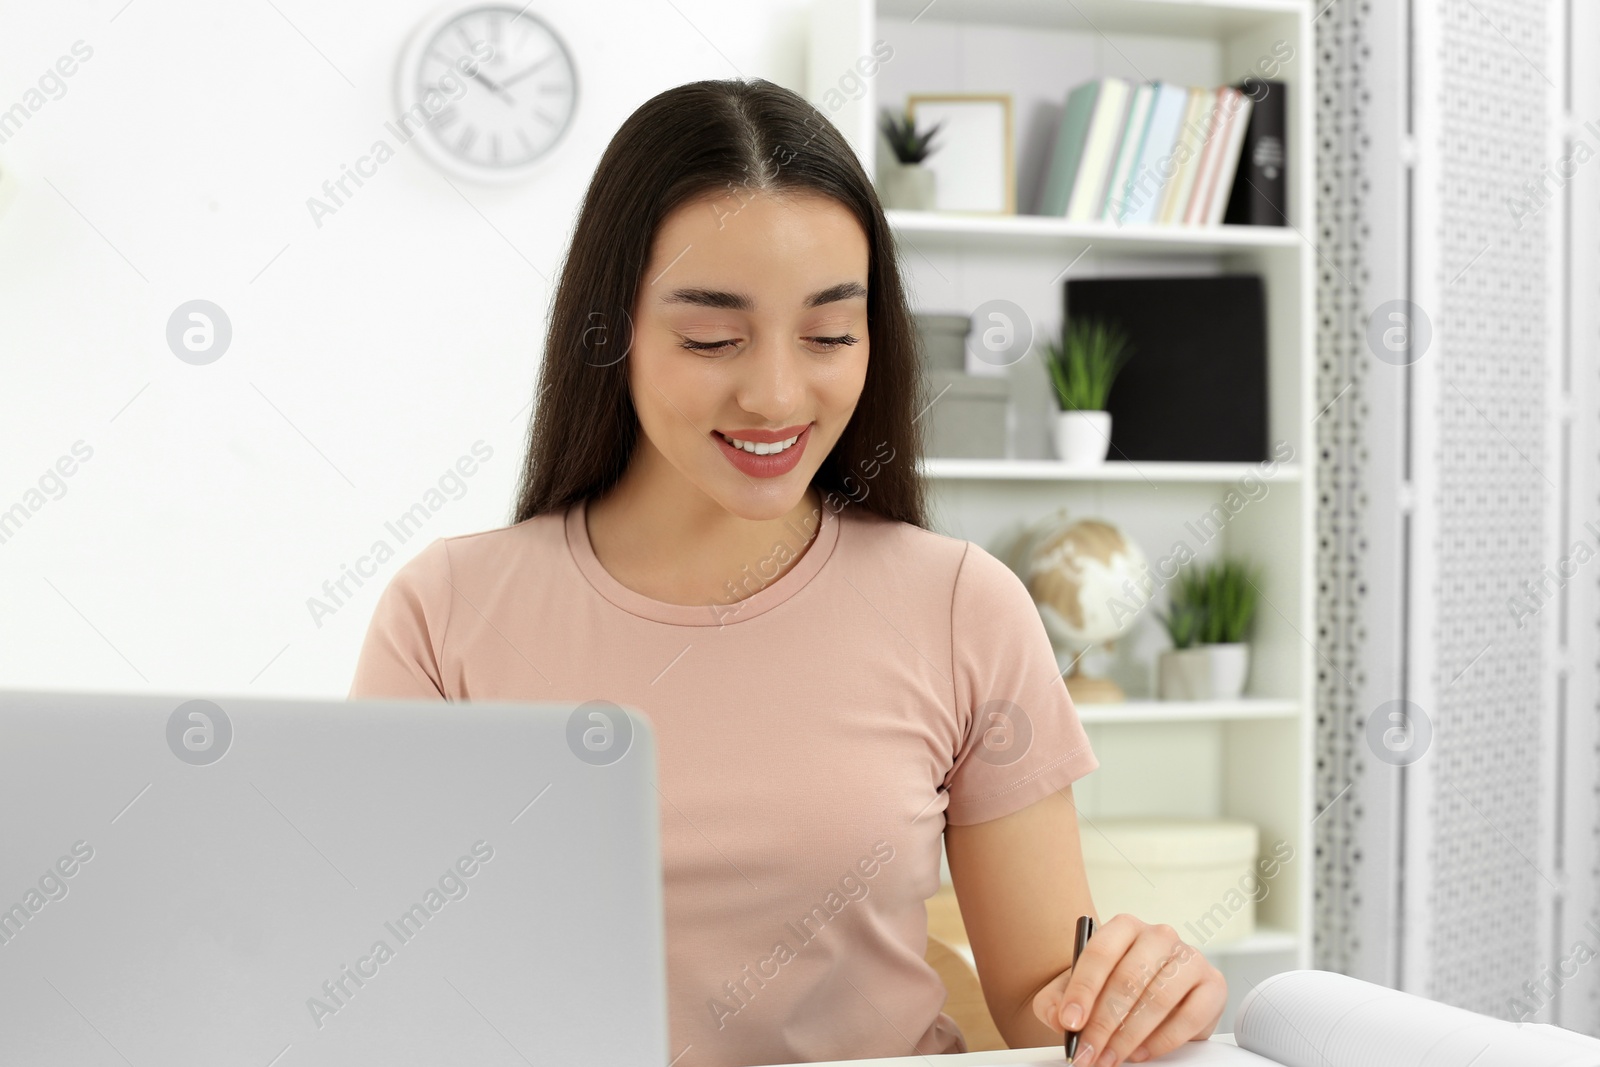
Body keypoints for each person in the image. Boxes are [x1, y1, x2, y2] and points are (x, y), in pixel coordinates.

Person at [348, 76, 1226, 1067]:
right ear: (612, 331)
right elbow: (383, 983)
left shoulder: (959, 604)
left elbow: (1041, 1005)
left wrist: (1139, 996)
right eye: (711, 337)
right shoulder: (449, 612)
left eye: (828, 335)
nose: (774, 394)